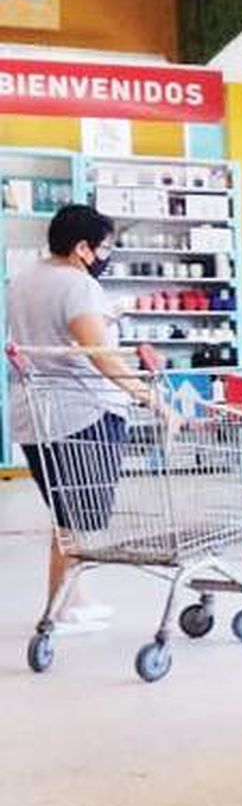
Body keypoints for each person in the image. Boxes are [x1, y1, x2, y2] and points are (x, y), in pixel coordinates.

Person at [8, 202, 152, 627]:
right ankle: (62, 608)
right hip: (82, 414)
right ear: (82, 248)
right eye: (103, 247)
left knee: (66, 516)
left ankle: (73, 600)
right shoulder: (79, 285)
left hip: (36, 417)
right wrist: (152, 399)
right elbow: (101, 356)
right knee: (82, 516)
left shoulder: (25, 278)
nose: (105, 256)